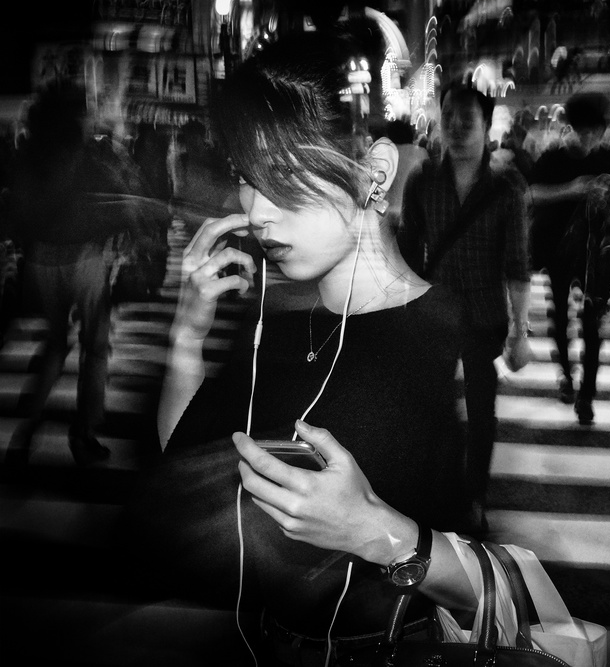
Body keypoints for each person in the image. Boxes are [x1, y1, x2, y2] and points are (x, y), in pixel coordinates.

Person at [131, 33, 499, 665]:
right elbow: (189, 458)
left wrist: (375, 532)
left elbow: (484, 583)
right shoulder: (276, 317)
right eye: (247, 175)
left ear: (376, 174)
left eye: (282, 176)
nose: (256, 210)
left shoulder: (444, 335)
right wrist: (187, 336)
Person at [398, 77, 532, 516]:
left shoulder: (506, 185)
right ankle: (435, 485)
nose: (455, 127)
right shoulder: (423, 179)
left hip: (483, 314)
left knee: (480, 410)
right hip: (433, 310)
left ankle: (474, 495)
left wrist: (520, 332)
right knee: (431, 402)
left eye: (467, 119)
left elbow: (516, 263)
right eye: (448, 117)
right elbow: (409, 251)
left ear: (488, 125)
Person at [4, 81, 136, 467]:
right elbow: (115, 196)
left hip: (42, 261)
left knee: (55, 345)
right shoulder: (88, 152)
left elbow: (17, 210)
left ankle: (26, 428)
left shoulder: (29, 154)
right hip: (84, 260)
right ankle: (83, 435)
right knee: (95, 349)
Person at [528, 92, 610, 425]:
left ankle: (587, 395)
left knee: (592, 324)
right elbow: (530, 193)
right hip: (557, 249)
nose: (587, 138)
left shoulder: (609, 159)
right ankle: (566, 376)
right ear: (570, 128)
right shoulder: (552, 159)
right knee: (561, 316)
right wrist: (573, 189)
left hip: (596, 254)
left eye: (594, 131)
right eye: (581, 130)